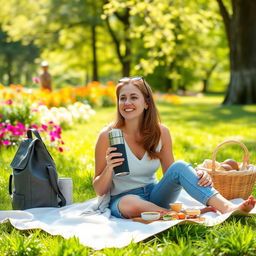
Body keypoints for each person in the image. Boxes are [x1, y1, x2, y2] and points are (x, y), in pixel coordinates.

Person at [93, 76, 255, 219]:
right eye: (122, 98)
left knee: (180, 166)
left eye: (133, 97)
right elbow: (99, 189)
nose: (127, 103)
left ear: (146, 103)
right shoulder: (107, 136)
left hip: (155, 193)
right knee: (130, 203)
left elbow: (173, 173)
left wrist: (195, 175)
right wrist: (109, 168)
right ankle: (179, 214)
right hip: (123, 199)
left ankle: (228, 208)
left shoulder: (161, 132)